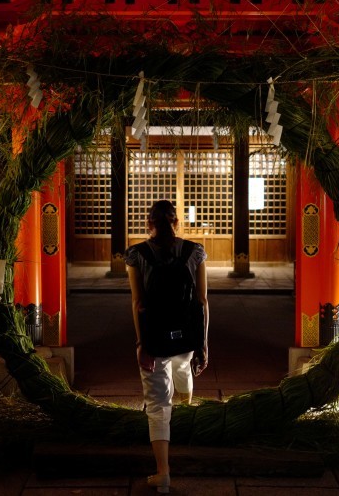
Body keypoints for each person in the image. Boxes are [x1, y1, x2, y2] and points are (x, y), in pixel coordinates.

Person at [125, 199, 209, 494]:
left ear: (149, 224)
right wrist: (203, 344)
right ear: (176, 223)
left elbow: (138, 303)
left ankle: (163, 473)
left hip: (154, 339)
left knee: (158, 405)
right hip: (185, 336)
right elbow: (202, 302)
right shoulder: (194, 251)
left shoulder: (137, 254)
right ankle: (184, 409)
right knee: (183, 368)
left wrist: (141, 344)